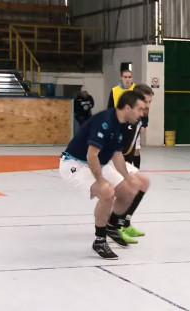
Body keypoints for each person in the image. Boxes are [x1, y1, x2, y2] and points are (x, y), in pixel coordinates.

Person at [58, 90, 150, 259]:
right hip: (75, 163)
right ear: (128, 108)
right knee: (107, 191)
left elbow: (116, 154)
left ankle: (111, 226)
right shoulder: (105, 121)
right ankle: (99, 241)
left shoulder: (121, 123)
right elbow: (90, 155)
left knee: (130, 190)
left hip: (99, 162)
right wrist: (100, 181)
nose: (142, 113)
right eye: (140, 109)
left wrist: (128, 178)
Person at [113, 83, 154, 240]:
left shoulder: (142, 115)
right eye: (146, 102)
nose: (148, 106)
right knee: (127, 188)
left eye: (150, 102)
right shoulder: (127, 118)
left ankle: (125, 223)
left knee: (142, 184)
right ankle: (115, 226)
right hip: (113, 159)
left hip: (126, 157)